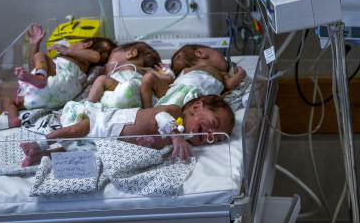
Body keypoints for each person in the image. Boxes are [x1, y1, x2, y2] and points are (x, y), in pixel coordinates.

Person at [21, 94, 235, 166]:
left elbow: (150, 145)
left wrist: (151, 146)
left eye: (214, 139)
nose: (209, 135)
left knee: (74, 153)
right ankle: (41, 143)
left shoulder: (175, 142)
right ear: (197, 107)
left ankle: (40, 157)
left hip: (110, 145)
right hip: (105, 123)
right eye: (213, 126)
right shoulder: (174, 111)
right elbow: (161, 119)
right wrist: (177, 138)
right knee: (74, 131)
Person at [6, 23, 115, 126]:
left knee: (40, 56)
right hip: (54, 97)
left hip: (64, 82)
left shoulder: (83, 59)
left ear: (87, 44)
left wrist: (68, 51)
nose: (70, 46)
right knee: (8, 99)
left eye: (74, 43)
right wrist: (34, 45)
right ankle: (12, 120)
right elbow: (33, 70)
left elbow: (95, 56)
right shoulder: (75, 61)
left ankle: (40, 77)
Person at [140, 44, 246, 108]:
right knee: (149, 77)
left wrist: (168, 72)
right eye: (217, 52)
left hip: (192, 98)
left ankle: (147, 110)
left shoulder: (187, 71)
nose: (224, 59)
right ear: (200, 53)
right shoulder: (218, 73)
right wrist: (241, 74)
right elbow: (230, 84)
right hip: (179, 92)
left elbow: (229, 85)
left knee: (149, 78)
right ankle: (147, 111)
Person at [85, 42, 164, 109]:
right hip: (133, 100)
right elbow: (167, 78)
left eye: (109, 59)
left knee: (101, 79)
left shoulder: (145, 70)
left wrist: (164, 71)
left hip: (128, 90)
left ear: (131, 53)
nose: (105, 65)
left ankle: (87, 107)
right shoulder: (146, 72)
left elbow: (167, 78)